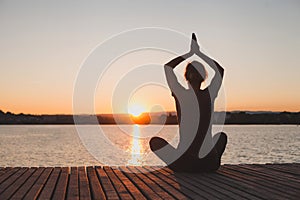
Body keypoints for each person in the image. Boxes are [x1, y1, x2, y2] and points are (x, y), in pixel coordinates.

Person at [150, 33, 227, 172]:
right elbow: (220, 70)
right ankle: (210, 160)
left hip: (186, 163)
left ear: (186, 76)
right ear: (203, 77)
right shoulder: (208, 94)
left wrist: (190, 53)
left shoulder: (181, 94)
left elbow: (168, 67)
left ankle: (181, 164)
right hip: (209, 164)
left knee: (154, 142)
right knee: (221, 137)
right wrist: (199, 53)